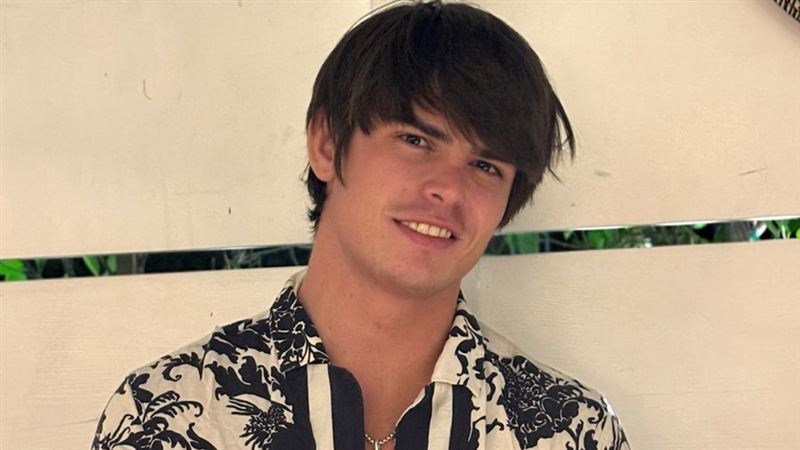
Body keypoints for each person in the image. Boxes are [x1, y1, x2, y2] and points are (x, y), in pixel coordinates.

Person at [92, 1, 630, 449]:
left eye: (486, 166)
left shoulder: (572, 431)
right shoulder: (171, 413)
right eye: (416, 140)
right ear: (327, 144)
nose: (449, 188)